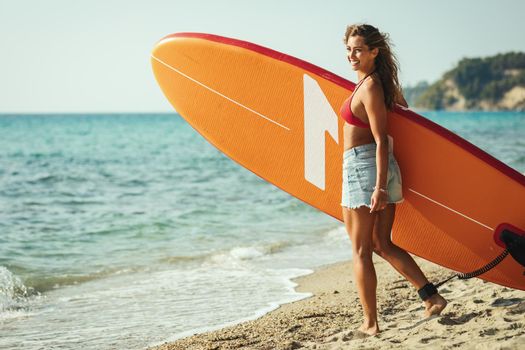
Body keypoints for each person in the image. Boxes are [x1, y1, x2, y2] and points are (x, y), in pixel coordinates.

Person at [340, 24, 447, 336]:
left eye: (358, 49)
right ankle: (432, 297)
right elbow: (402, 105)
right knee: (380, 244)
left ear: (374, 51)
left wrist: (379, 187)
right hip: (365, 168)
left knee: (362, 250)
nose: (351, 55)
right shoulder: (373, 83)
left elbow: (380, 139)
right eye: (349, 50)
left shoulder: (371, 86)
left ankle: (370, 324)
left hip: (366, 168)